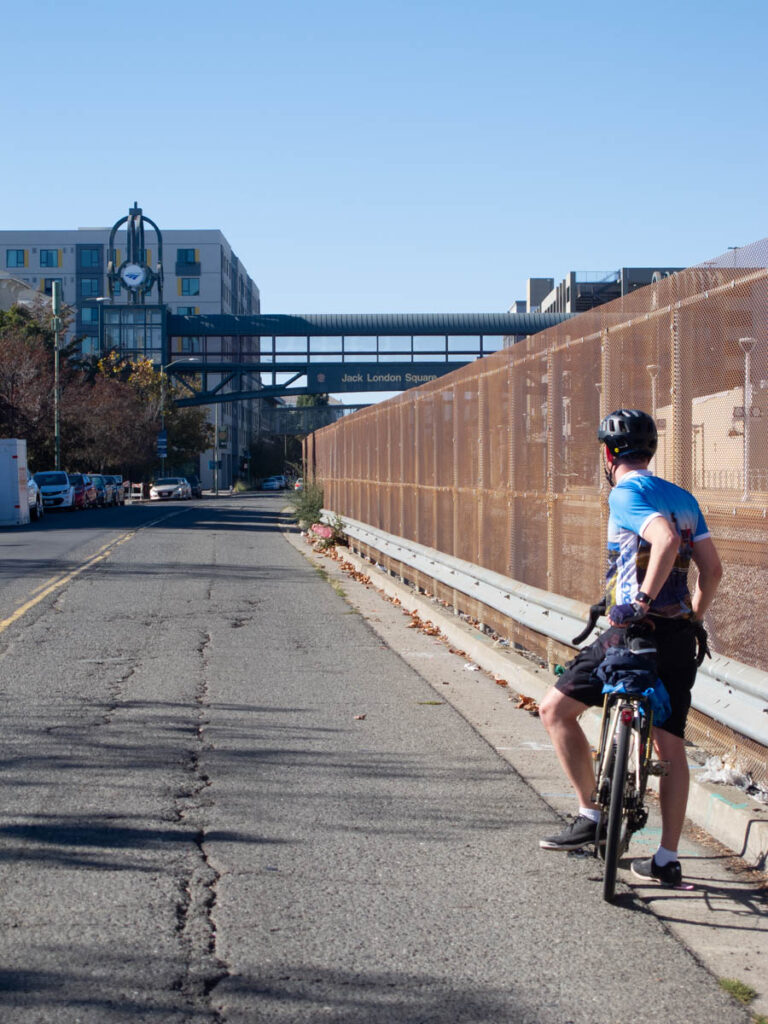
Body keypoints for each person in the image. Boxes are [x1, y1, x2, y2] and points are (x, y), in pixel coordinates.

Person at [538, 409, 722, 887]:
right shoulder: (683, 497)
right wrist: (693, 619)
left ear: (606, 454)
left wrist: (639, 601)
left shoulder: (625, 493)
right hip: (679, 637)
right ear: (651, 450)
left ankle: (590, 815)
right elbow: (713, 570)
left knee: (555, 710)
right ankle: (666, 858)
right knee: (672, 747)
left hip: (631, 632)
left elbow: (660, 539)